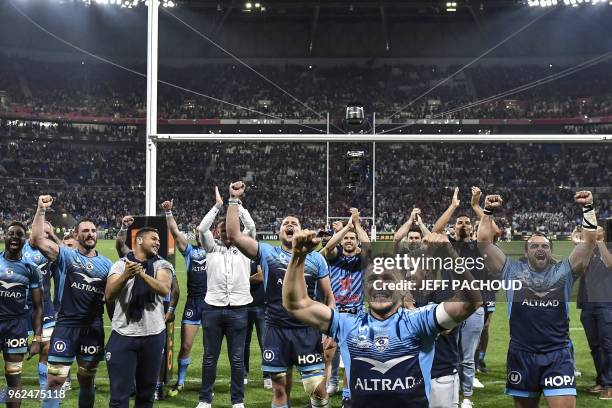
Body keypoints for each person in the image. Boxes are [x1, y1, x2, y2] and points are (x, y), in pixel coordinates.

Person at [282, 229, 483, 407]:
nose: (380, 285)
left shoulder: (420, 321)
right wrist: (298, 257)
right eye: (373, 279)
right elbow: (297, 304)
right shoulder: (346, 324)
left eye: (388, 280)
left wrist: (449, 254)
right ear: (365, 288)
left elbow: (471, 301)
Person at [477, 191, 597, 408]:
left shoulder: (564, 272)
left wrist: (588, 208)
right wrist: (487, 211)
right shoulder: (511, 271)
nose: (540, 249)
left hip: (557, 355)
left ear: (550, 252)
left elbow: (588, 243)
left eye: (544, 246)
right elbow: (484, 243)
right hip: (521, 355)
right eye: (534, 246)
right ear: (526, 252)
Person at [226, 181, 335, 408]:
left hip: (307, 330)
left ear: (300, 230)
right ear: (280, 232)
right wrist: (234, 200)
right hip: (276, 330)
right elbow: (234, 235)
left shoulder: (315, 258)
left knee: (318, 392)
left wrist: (330, 329)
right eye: (286, 223)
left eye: (294, 223)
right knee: (279, 390)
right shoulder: (267, 252)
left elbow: (329, 297)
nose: (290, 225)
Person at [32, 196, 111, 408]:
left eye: (93, 231)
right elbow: (38, 240)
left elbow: (113, 296)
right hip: (66, 326)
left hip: (92, 328)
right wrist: (41, 210)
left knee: (87, 380)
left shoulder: (107, 264)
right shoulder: (66, 256)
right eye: (85, 231)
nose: (90, 234)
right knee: (55, 381)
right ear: (76, 235)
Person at [195, 186, 256, 408]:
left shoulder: (245, 247)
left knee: (237, 359)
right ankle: (204, 399)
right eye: (221, 230)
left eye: (228, 230)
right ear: (218, 233)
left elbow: (250, 226)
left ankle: (237, 401)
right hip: (212, 308)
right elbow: (202, 228)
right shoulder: (211, 248)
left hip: (239, 309)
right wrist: (218, 206)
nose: (225, 233)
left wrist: (236, 204)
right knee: (210, 357)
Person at [105, 227, 174, 408]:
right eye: (154, 238)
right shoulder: (120, 265)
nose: (158, 242)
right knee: (119, 396)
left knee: (146, 395)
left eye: (159, 239)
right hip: (123, 335)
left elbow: (164, 288)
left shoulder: (162, 265)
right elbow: (109, 294)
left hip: (153, 336)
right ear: (140, 240)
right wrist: (126, 275)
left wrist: (142, 274)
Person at [432, 188, 487, 407]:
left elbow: (490, 229)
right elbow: (436, 230)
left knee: (467, 357)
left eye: (466, 223)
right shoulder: (447, 247)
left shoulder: (479, 247)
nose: (462, 225)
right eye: (459, 223)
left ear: (473, 228)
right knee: (448, 354)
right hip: (448, 306)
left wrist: (476, 207)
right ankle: (452, 393)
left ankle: (466, 397)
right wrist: (453, 206)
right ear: (453, 228)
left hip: (473, 308)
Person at [158, 199, 209, 398]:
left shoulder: (216, 251)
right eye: (196, 232)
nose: (198, 234)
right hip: (194, 302)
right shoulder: (191, 252)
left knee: (209, 349)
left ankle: (207, 384)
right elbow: (175, 232)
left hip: (213, 303)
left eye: (201, 231)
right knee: (186, 345)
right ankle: (180, 382)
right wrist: (169, 213)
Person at [320, 209, 370, 407]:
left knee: (352, 357)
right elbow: (329, 247)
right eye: (346, 238)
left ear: (356, 241)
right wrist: (346, 228)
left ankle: (348, 395)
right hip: (334, 313)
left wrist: (356, 225)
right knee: (328, 353)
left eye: (352, 238)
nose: (349, 240)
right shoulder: (333, 257)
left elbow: (368, 246)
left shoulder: (362, 260)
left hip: (356, 314)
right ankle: (329, 386)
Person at [0, 221, 43, 408]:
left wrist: (37, 339)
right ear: (4, 237)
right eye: (11, 233)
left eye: (19, 234)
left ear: (25, 240)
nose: (15, 237)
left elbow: (38, 306)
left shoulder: (30, 269)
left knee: (14, 379)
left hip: (16, 326)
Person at [22, 221, 61, 392]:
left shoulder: (51, 252)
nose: (43, 236)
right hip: (20, 306)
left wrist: (53, 236)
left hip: (45, 305)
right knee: (15, 349)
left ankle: (44, 385)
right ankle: (12, 384)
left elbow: (69, 258)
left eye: (47, 234)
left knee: (47, 346)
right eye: (42, 233)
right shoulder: (20, 249)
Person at [575, 225, 612, 399]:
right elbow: (580, 268)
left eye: (596, 229)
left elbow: (610, 263)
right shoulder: (586, 250)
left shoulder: (608, 247)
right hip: (587, 304)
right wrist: (583, 246)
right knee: (595, 347)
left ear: (603, 233)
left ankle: (610, 385)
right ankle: (602, 380)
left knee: (608, 347)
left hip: (606, 304)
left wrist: (599, 243)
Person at [244, 261, 272, 389]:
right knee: (243, 343)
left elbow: (260, 276)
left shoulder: (259, 256)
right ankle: (243, 374)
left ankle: (267, 376)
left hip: (260, 305)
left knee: (264, 342)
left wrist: (242, 278)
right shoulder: (239, 254)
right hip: (243, 305)